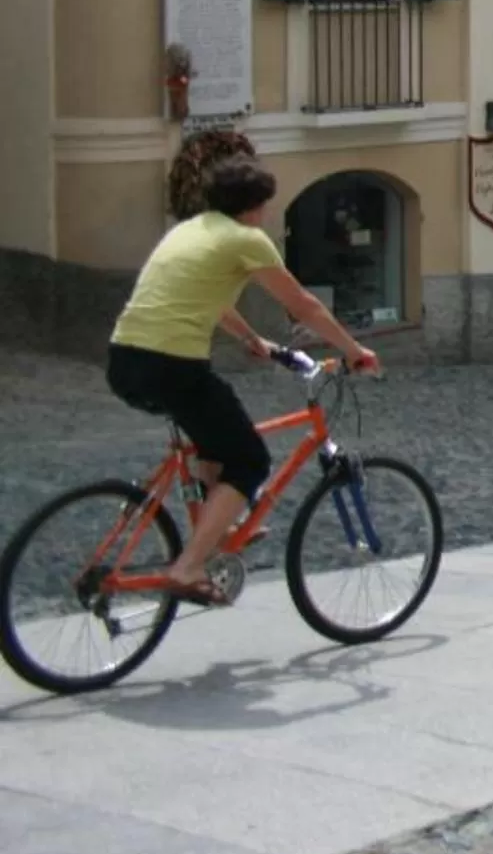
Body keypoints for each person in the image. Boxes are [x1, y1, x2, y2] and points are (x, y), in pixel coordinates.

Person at [104, 157, 381, 605]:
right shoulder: (246, 239)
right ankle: (189, 566)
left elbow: (208, 299)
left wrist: (252, 338)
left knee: (214, 439)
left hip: (123, 359)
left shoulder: (188, 231)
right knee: (249, 459)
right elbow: (304, 304)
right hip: (172, 364)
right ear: (255, 207)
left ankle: (218, 529)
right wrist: (353, 350)